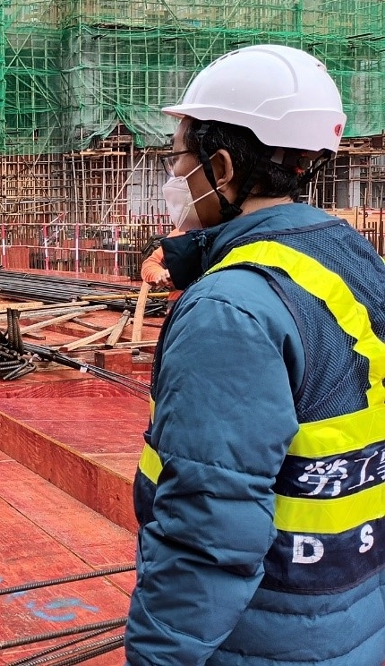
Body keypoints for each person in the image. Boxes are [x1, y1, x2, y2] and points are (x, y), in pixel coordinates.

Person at [127, 44, 385, 665]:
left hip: (261, 635)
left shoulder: (231, 309)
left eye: (178, 160)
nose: (174, 179)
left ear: (220, 167)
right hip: (353, 615)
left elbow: (207, 532)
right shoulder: (352, 260)